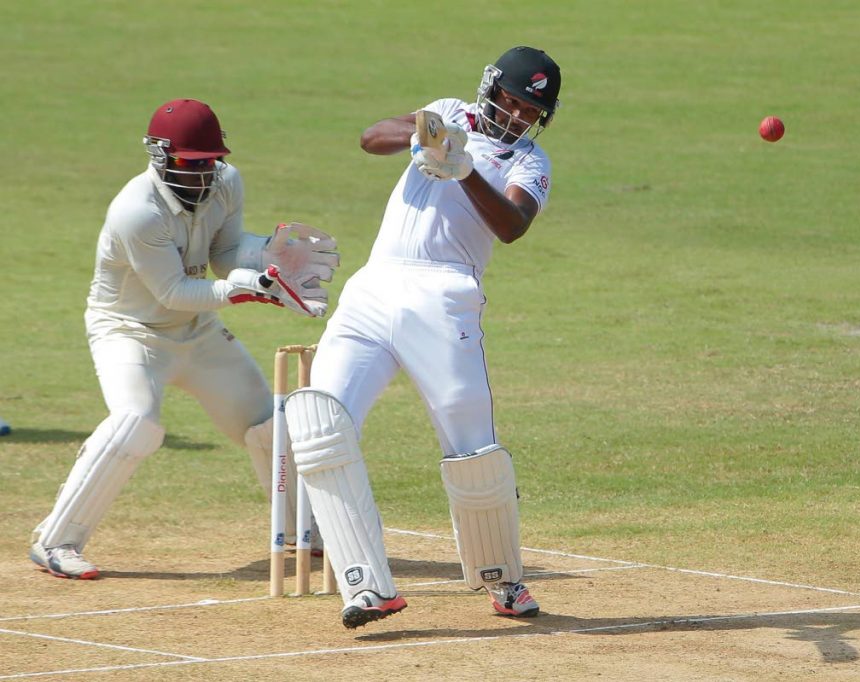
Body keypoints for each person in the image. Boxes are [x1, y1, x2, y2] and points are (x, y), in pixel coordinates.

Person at [283, 46, 561, 628]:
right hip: (375, 284)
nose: (515, 115)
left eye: (529, 110)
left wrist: (465, 172)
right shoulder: (447, 111)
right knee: (319, 424)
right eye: (510, 100)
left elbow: (512, 226)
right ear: (490, 89)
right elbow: (369, 137)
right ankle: (365, 586)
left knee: (471, 445)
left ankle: (503, 580)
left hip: (444, 296)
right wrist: (421, 137)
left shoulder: (531, 162)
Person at [30, 98, 339, 579]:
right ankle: (56, 541)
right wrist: (245, 290)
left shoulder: (226, 184)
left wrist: (265, 256)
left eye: (210, 162)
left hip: (197, 333)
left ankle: (303, 532)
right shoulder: (136, 211)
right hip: (130, 332)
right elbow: (173, 291)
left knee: (267, 424)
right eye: (190, 163)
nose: (202, 173)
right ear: (160, 156)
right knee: (136, 423)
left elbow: (224, 253)